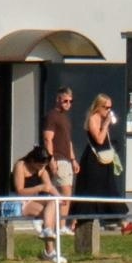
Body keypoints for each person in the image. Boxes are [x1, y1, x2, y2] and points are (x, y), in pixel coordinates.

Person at [68, 93, 132, 234]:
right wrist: (106, 124)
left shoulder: (102, 118)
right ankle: (76, 223)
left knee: (110, 190)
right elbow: (99, 140)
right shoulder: (93, 119)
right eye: (106, 107)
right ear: (98, 107)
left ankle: (124, 223)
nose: (108, 110)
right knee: (88, 191)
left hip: (104, 162)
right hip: (93, 162)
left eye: (110, 108)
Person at [6, 146, 66, 263]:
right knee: (48, 215)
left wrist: (59, 197)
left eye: (44, 165)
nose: (42, 168)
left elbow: (49, 187)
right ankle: (50, 250)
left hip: (33, 200)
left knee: (52, 203)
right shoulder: (20, 166)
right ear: (33, 161)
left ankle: (47, 232)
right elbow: (20, 191)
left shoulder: (42, 169)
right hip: (19, 202)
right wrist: (39, 188)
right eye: (40, 165)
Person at [40, 85, 77, 227]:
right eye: (65, 101)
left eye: (70, 101)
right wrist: (51, 160)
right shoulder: (52, 116)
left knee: (65, 193)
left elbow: (68, 141)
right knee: (64, 192)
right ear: (58, 99)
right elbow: (47, 139)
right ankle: (60, 226)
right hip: (58, 158)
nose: (68, 104)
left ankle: (58, 225)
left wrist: (73, 159)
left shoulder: (65, 118)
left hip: (67, 159)